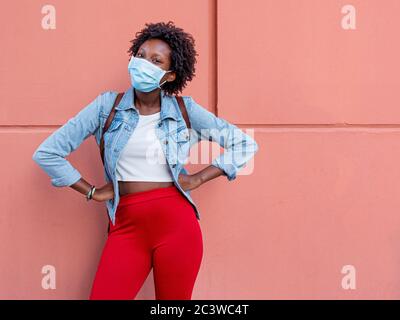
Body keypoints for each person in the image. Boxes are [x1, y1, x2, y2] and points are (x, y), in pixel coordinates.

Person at [32, 21, 259, 300]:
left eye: (155, 60)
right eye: (140, 56)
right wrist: (90, 191)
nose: (143, 63)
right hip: (126, 226)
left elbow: (244, 144)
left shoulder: (184, 111)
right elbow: (47, 153)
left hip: (177, 226)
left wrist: (198, 178)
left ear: (169, 75)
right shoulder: (106, 107)